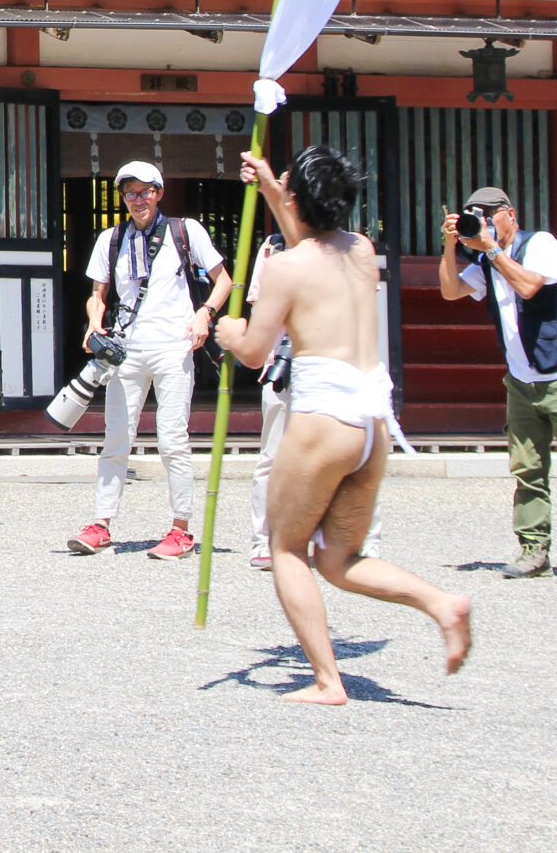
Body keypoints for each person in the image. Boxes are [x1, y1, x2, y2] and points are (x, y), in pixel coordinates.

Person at [217, 147, 470, 703]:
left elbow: (257, 352)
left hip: (323, 418)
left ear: (301, 199)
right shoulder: (361, 250)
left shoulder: (283, 266)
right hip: (372, 419)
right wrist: (270, 191)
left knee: (287, 548)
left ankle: (328, 681)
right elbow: (313, 244)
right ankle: (439, 604)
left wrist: (228, 332)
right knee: (340, 559)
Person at [437, 184, 557, 581]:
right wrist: (449, 245)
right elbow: (449, 290)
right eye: (475, 216)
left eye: (489, 214)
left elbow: (529, 285)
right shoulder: (485, 261)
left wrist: (491, 251)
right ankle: (534, 550)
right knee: (527, 470)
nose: (483, 223)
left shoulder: (542, 243)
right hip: (521, 381)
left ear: (510, 214)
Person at [70, 160, 234, 560]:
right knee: (115, 439)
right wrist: (94, 321)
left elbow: (224, 280)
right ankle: (101, 523)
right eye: (130, 193)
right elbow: (99, 294)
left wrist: (205, 313)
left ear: (160, 192)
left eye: (145, 191)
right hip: (127, 349)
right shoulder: (111, 239)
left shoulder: (185, 230)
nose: (137, 199)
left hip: (174, 346)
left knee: (172, 439)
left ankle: (181, 528)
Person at [245, 235, 384, 570]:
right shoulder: (272, 248)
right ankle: (264, 539)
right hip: (285, 360)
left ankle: (363, 538)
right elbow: (259, 305)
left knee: (354, 456)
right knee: (272, 455)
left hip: (338, 364)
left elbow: (363, 304)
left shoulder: (349, 245)